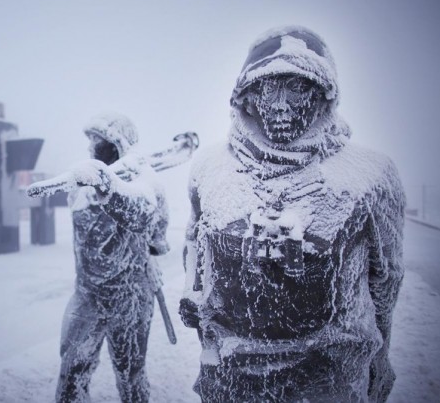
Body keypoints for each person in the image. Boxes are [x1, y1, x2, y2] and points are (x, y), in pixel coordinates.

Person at [179, 26, 405, 402]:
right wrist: (193, 294)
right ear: (248, 97)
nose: (281, 105)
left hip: (330, 379)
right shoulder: (209, 168)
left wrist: (378, 358)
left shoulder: (371, 175)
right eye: (269, 88)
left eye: (297, 88)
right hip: (230, 378)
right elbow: (195, 247)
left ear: (322, 94)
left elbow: (386, 282)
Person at [55, 113, 169, 402]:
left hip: (130, 298)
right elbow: (88, 233)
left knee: (131, 376)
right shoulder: (80, 185)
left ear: (120, 143)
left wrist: (150, 254)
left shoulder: (146, 182)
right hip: (87, 294)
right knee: (71, 374)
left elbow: (154, 231)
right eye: (93, 142)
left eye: (102, 142)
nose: (96, 147)